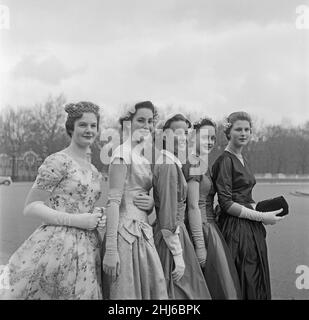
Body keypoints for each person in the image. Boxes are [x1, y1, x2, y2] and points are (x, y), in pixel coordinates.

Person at [0, 101, 106, 299]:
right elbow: (31, 207)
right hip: (58, 245)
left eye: (93, 125)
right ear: (71, 127)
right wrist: (77, 221)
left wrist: (98, 217)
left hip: (89, 248)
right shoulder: (57, 161)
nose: (89, 130)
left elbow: (84, 204)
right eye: (83, 124)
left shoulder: (93, 170)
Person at [212, 111, 284, 300]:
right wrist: (261, 216)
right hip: (235, 230)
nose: (243, 133)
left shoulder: (244, 159)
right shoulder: (224, 161)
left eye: (247, 129)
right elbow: (226, 203)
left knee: (257, 279)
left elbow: (246, 197)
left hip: (250, 227)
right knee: (246, 280)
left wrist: (263, 210)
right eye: (238, 129)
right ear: (229, 132)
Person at [102, 101, 168, 299]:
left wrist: (150, 206)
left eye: (150, 121)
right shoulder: (121, 154)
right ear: (127, 123)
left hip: (143, 230)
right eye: (140, 120)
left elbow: (139, 192)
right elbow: (113, 202)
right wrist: (111, 250)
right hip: (124, 233)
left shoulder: (142, 155)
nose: (146, 126)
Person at [152, 113, 210, 299]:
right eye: (177, 132)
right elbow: (167, 216)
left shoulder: (171, 162)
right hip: (172, 238)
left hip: (176, 233)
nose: (184, 137)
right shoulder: (168, 164)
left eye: (185, 133)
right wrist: (178, 255)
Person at [183, 117, 241, 299]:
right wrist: (200, 246)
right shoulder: (193, 163)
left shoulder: (203, 163)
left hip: (210, 226)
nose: (209, 142)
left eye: (212, 138)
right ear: (194, 136)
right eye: (205, 137)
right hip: (201, 228)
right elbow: (192, 206)